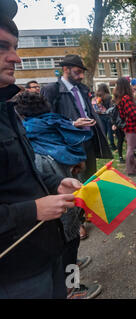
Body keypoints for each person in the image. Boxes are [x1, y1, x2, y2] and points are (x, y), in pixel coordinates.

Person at [0, 1, 81, 298]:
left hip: (44, 256)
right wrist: (33, 210)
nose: (16, 58)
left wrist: (53, 183)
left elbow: (19, 174)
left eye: (16, 47)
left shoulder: (7, 109)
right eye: (2, 47)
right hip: (13, 274)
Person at [14, 92, 102, 299]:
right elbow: (77, 158)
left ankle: (71, 272)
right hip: (60, 202)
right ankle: (71, 289)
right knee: (67, 246)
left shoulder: (27, 134)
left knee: (69, 245)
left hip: (56, 197)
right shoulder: (58, 125)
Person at [41, 54, 112, 182]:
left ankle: (90, 201)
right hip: (69, 145)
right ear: (66, 69)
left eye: (82, 72)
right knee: (74, 181)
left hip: (88, 139)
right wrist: (72, 124)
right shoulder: (51, 90)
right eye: (77, 72)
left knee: (90, 178)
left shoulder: (83, 89)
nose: (81, 76)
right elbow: (46, 119)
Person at [113, 77, 136, 176]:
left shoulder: (121, 97)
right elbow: (132, 113)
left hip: (127, 125)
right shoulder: (126, 97)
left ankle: (133, 166)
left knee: (130, 147)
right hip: (131, 125)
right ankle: (130, 170)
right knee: (130, 148)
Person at [93, 84, 116, 151]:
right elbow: (111, 107)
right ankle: (112, 145)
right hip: (107, 115)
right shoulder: (108, 96)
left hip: (99, 115)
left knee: (104, 131)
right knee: (110, 131)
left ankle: (104, 146)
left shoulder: (96, 96)